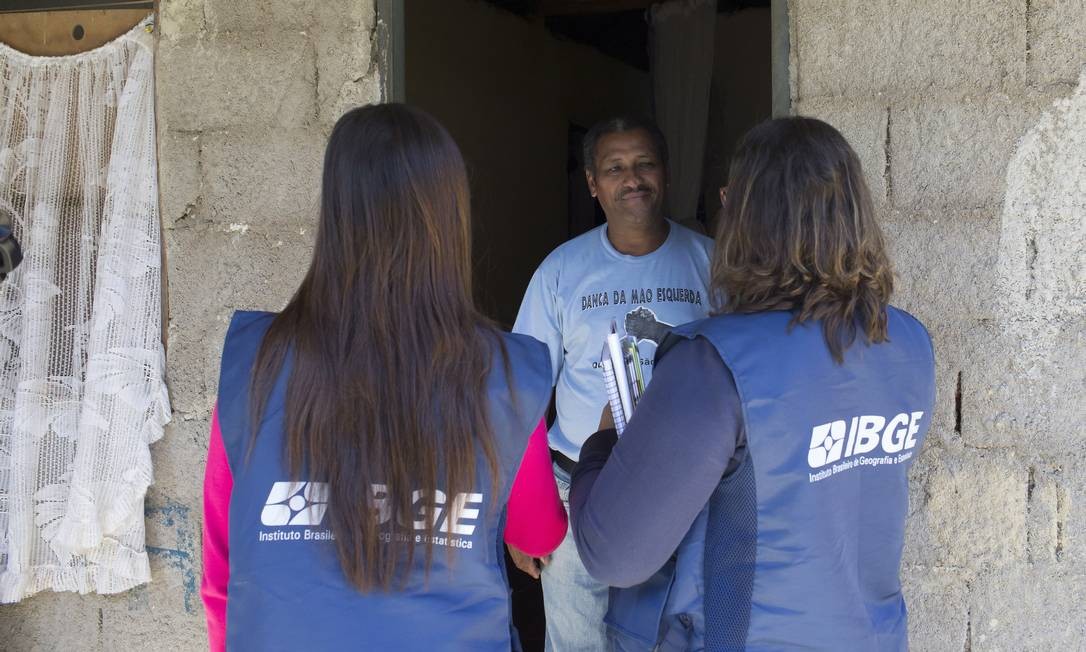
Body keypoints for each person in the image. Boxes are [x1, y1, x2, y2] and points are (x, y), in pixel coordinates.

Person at [200, 104, 567, 651]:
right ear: (450, 216)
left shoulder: (257, 363)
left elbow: (221, 572)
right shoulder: (505, 373)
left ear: (337, 212)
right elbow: (536, 534)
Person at [569, 117, 936, 650]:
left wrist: (601, 447)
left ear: (750, 218)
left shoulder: (714, 364)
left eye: (729, 198)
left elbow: (614, 553)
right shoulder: (907, 345)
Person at [512, 116, 713, 650]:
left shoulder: (711, 265)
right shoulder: (561, 272)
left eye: (645, 163)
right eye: (615, 167)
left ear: (666, 173)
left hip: (682, 488)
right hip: (577, 487)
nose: (633, 178)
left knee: (674, 634)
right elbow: (520, 394)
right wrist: (523, 514)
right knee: (577, 640)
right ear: (591, 183)